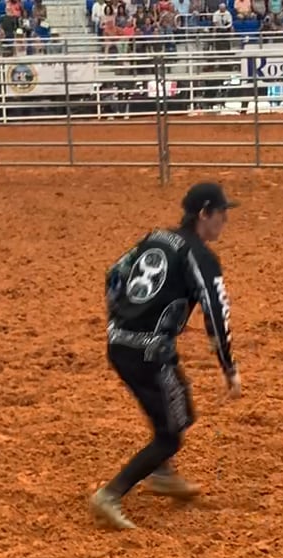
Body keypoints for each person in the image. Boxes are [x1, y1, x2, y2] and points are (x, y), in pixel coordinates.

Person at [88, 182, 242, 531]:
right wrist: (228, 367)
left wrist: (121, 318)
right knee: (170, 436)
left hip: (120, 344)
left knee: (179, 407)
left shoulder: (155, 238)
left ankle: (161, 472)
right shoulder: (201, 257)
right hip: (150, 352)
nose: (225, 221)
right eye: (222, 213)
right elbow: (216, 312)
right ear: (204, 214)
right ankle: (110, 494)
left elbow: (114, 274)